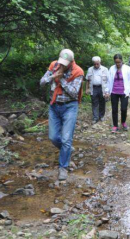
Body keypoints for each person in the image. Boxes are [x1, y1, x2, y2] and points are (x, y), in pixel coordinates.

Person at [40, 49, 84, 181]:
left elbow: (74, 93)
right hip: (54, 105)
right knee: (53, 137)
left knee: (66, 139)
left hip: (70, 107)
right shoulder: (54, 65)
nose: (62, 66)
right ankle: (67, 149)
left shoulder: (78, 72)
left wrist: (62, 80)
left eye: (65, 64)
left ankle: (63, 167)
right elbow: (41, 82)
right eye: (61, 63)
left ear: (71, 62)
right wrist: (52, 77)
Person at [107, 54, 130, 133]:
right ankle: (115, 125)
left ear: (122, 61)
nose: (118, 64)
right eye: (116, 62)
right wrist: (107, 91)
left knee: (123, 108)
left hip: (124, 92)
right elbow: (109, 81)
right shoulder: (112, 69)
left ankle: (123, 122)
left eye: (119, 62)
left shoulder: (127, 68)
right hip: (114, 92)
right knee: (114, 109)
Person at [86, 56, 109, 124]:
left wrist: (107, 91)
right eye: (95, 64)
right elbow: (87, 80)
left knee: (102, 102)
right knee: (94, 102)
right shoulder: (90, 69)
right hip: (93, 88)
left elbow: (108, 81)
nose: (96, 65)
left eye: (97, 64)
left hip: (102, 88)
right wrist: (87, 88)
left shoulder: (105, 69)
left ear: (100, 62)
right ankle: (95, 117)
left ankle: (101, 116)